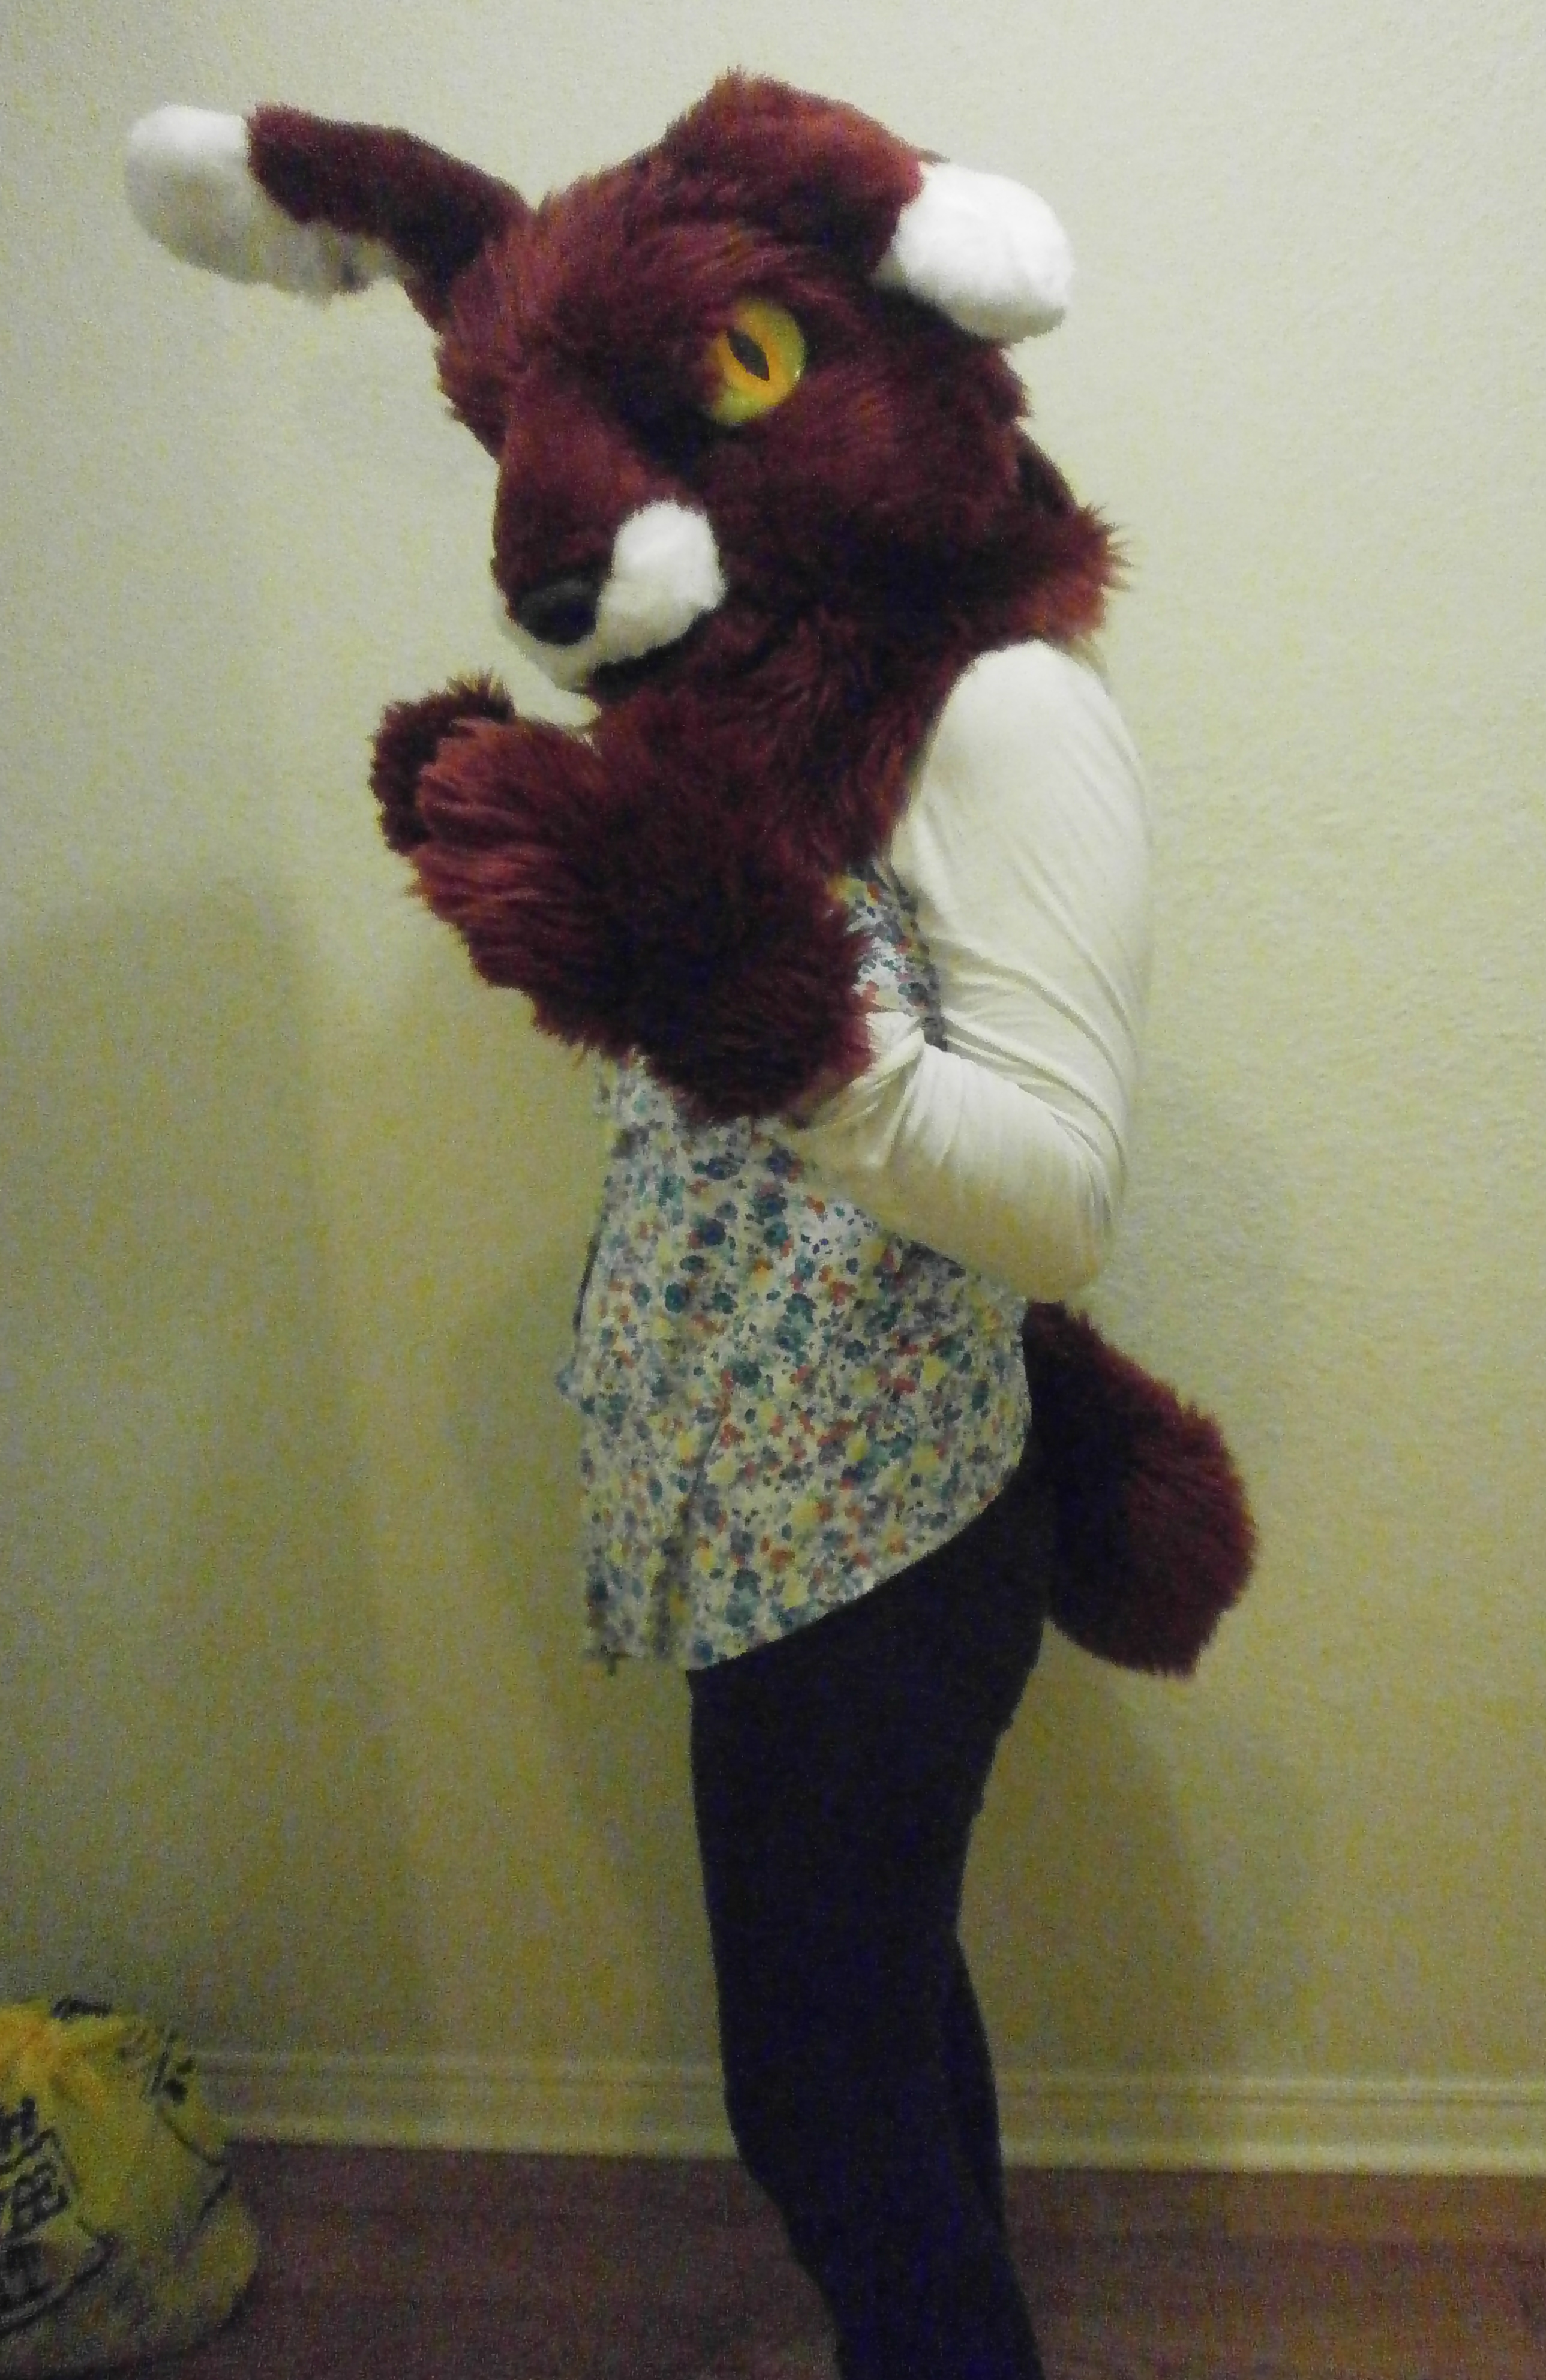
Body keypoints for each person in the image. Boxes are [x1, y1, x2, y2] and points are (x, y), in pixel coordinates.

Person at [560, 639, 1153, 2378]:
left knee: (813, 2094)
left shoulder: (988, 709)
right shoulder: (750, 731)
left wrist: (760, 984)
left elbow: (1057, 1211)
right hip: (764, 1545)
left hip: (882, 1551)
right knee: (876, 2037)